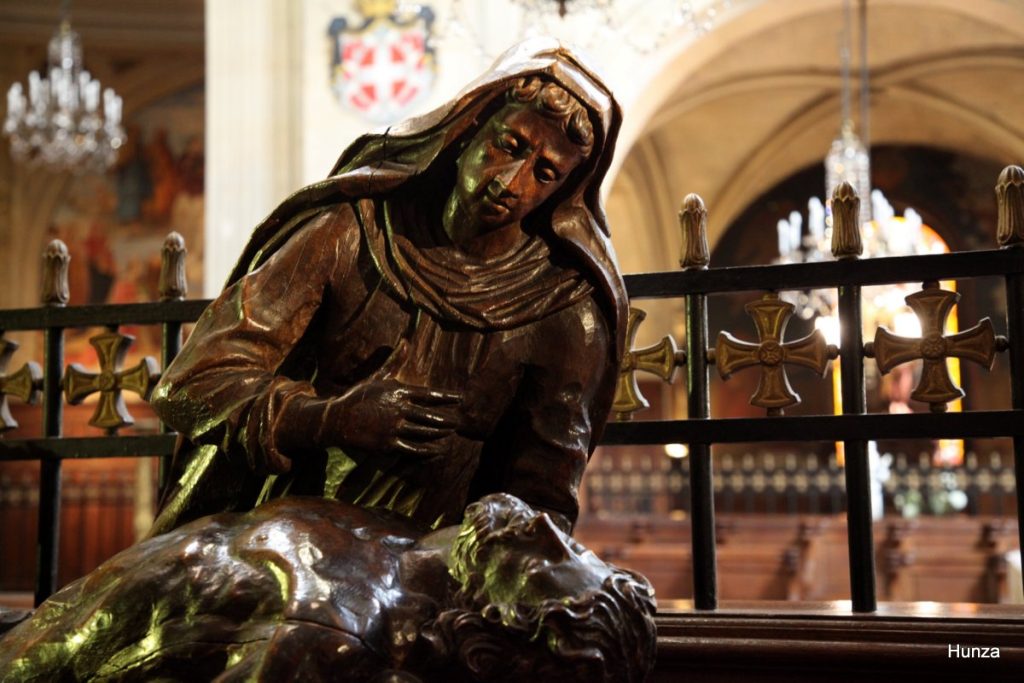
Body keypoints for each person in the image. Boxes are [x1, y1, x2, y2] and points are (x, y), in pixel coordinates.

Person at [149, 39, 628, 536]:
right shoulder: (350, 234)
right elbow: (191, 383)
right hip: (291, 535)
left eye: (544, 173)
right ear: (467, 132)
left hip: (440, 563)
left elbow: (543, 501)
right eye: (508, 145)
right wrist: (328, 419)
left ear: (563, 192)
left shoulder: (565, 312)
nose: (509, 183)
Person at [0, 493, 656, 682]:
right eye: (574, 545)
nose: (545, 524)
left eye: (543, 565)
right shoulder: (398, 533)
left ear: (485, 636)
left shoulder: (329, 632)